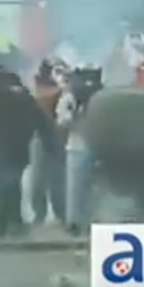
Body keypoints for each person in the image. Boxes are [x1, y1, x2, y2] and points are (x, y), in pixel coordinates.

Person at [0, 65, 59, 237]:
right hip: (5, 149)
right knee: (5, 188)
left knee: (5, 187)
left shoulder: (21, 100)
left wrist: (51, 146)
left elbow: (42, 123)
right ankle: (13, 223)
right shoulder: (4, 98)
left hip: (12, 150)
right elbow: (43, 124)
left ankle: (7, 224)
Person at [57, 65, 103, 235]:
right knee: (92, 186)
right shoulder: (101, 94)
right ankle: (85, 221)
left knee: (79, 187)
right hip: (92, 145)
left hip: (80, 145)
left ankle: (78, 222)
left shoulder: (70, 95)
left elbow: (62, 121)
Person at [29, 59, 66, 225]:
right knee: (39, 180)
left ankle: (59, 214)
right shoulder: (40, 90)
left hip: (57, 138)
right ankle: (41, 214)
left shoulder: (64, 90)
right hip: (41, 137)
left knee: (56, 180)